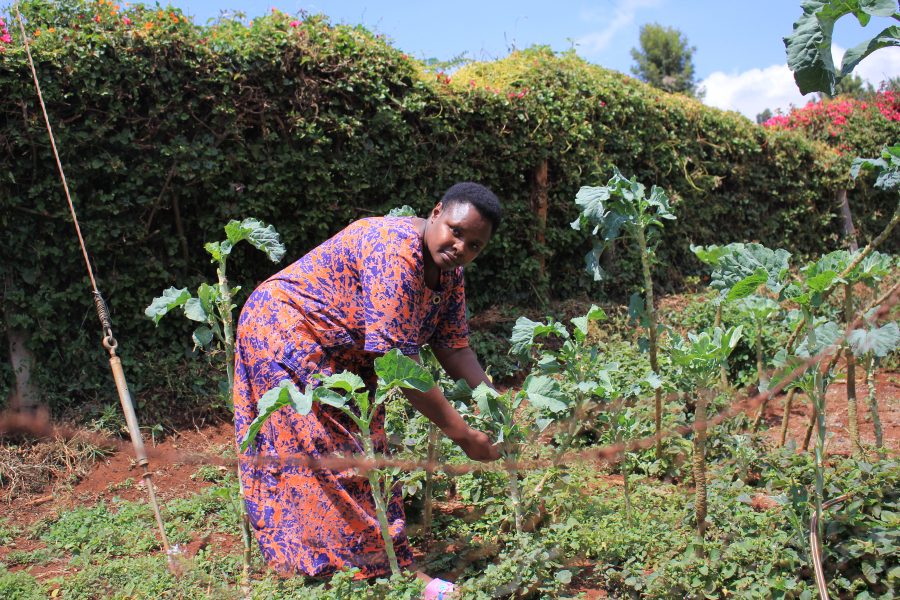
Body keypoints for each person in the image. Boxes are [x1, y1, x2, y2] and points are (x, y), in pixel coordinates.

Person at [233, 182, 503, 584]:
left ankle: (345, 563)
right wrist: (462, 434)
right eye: (456, 230)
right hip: (286, 329)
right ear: (435, 213)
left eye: (474, 245)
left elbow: (454, 348)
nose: (460, 246)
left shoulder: (450, 274)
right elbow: (397, 363)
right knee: (332, 453)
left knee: (360, 451)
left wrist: (495, 405)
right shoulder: (394, 251)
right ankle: (365, 571)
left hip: (341, 352)